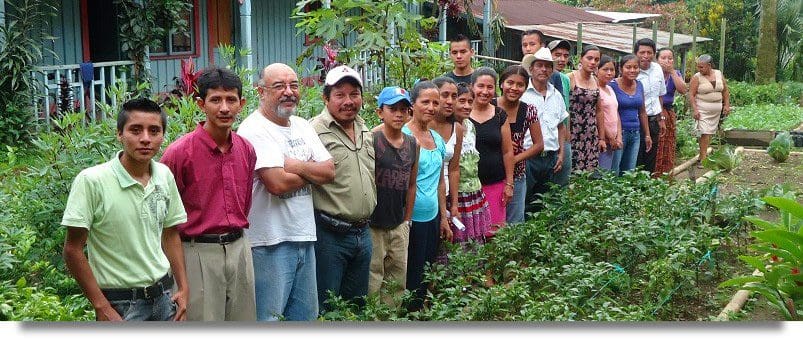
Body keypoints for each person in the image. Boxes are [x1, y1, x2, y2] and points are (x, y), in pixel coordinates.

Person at [62, 98, 189, 321]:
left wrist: (183, 287)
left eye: (154, 131)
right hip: (122, 304)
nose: (146, 139)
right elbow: (73, 249)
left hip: (164, 295)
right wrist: (101, 305)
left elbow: (170, 233)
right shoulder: (92, 181)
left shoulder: (164, 175)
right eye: (135, 130)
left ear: (162, 135)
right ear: (119, 134)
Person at [237, 63, 335, 321]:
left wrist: (295, 166)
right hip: (269, 242)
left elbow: (330, 172)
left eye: (293, 85)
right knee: (268, 319)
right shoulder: (253, 129)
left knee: (305, 317)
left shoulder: (302, 125)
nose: (288, 92)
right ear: (261, 91)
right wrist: (312, 172)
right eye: (279, 86)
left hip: (304, 235)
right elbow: (277, 184)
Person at [160, 67, 256, 321]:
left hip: (239, 248)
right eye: (215, 100)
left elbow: (244, 201)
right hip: (196, 252)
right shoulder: (180, 153)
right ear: (201, 104)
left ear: (241, 103)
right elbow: (162, 218)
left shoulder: (245, 149)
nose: (224, 108)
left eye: (231, 100)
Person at [309, 65, 376, 312]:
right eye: (340, 95)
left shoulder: (364, 127)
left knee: (357, 305)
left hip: (363, 233)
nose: (348, 101)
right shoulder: (312, 131)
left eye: (354, 94)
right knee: (327, 307)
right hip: (330, 235)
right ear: (326, 98)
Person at [402, 81, 451, 312]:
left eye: (435, 102)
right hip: (410, 218)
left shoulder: (437, 139)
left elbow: (441, 181)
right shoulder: (401, 135)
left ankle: (419, 311)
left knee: (426, 269)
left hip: (432, 217)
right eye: (425, 102)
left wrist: (444, 217)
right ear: (413, 104)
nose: (431, 107)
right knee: (409, 270)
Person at [367, 86, 418, 304]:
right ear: (380, 112)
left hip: (398, 223)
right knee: (373, 278)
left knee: (397, 279)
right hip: (374, 224)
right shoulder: (372, 140)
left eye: (404, 109)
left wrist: (406, 220)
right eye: (392, 109)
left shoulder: (412, 144)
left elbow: (411, 184)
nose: (398, 114)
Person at [493, 65, 543, 224]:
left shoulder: (529, 111)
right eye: (510, 83)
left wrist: (515, 159)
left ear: (525, 88)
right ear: (501, 84)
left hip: (517, 175)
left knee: (515, 222)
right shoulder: (489, 106)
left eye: (520, 85)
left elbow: (539, 144)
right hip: (490, 174)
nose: (514, 88)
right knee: (491, 222)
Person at [520, 47, 568, 212]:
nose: (543, 69)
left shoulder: (556, 95)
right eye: (539, 65)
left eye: (547, 66)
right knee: (524, 201)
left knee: (544, 202)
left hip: (550, 157)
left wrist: (561, 154)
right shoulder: (522, 94)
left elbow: (561, 126)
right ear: (531, 68)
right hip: (528, 158)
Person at [470, 67, 514, 233]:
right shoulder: (462, 115)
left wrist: (509, 183)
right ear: (472, 87)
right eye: (480, 86)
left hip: (495, 185)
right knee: (470, 235)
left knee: (494, 233)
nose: (485, 91)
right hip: (467, 189)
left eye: (490, 87)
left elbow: (508, 152)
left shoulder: (500, 115)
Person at [451, 83, 492, 242]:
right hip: (457, 193)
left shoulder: (470, 126)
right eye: (462, 101)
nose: (467, 106)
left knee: (475, 238)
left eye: (470, 101)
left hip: (474, 191)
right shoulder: (447, 129)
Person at [610, 55, 651, 174]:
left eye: (635, 67)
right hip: (619, 134)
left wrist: (647, 134)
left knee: (629, 171)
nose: (632, 70)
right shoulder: (612, 86)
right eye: (628, 67)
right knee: (614, 171)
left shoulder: (639, 85)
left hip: (635, 134)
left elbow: (642, 112)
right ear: (621, 69)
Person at [567, 45, 605, 172]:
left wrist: (601, 138)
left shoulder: (596, 80)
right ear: (581, 59)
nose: (593, 62)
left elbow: (599, 111)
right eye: (589, 58)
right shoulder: (570, 78)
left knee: (588, 176)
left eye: (596, 59)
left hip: (590, 136)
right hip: (572, 134)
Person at [431, 76, 463, 222]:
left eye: (454, 96)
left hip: (446, 195)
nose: (450, 101)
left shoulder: (457, 129)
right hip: (423, 195)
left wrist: (454, 204)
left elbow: (454, 169)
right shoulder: (419, 125)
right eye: (444, 95)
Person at [689, 54, 731, 166]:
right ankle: (703, 158)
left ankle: (702, 155)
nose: (699, 69)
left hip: (716, 109)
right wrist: (695, 110)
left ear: (709, 65)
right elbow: (691, 95)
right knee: (705, 132)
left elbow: (725, 91)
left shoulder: (718, 74)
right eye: (698, 67)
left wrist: (726, 105)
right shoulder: (696, 77)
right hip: (702, 108)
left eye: (701, 67)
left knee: (710, 132)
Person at [634, 38, 667, 173]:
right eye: (642, 52)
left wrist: (661, 118)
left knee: (651, 156)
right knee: (637, 157)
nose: (646, 56)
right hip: (637, 121)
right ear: (636, 53)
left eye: (649, 52)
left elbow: (659, 95)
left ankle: (647, 188)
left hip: (654, 120)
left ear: (654, 54)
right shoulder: (632, 71)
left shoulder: (657, 68)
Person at [654, 48, 687, 176]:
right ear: (657, 60)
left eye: (670, 58)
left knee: (668, 144)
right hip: (654, 112)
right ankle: (654, 174)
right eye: (663, 58)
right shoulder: (652, 73)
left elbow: (683, 90)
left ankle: (666, 174)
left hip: (668, 112)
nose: (667, 61)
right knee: (657, 144)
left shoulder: (675, 73)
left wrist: (672, 72)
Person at [546, 39, 573, 186]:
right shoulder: (545, 77)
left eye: (565, 55)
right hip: (549, 134)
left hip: (563, 134)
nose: (562, 59)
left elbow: (565, 107)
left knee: (563, 176)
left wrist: (567, 129)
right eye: (557, 54)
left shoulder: (565, 79)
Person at [596, 55, 623, 172]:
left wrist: (619, 137)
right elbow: (598, 115)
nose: (609, 73)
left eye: (612, 70)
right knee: (601, 174)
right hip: (603, 140)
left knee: (610, 174)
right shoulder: (595, 89)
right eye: (605, 69)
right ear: (597, 70)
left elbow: (615, 113)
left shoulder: (610, 89)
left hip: (614, 141)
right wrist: (610, 138)